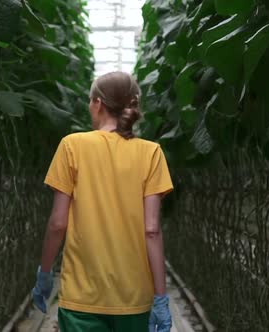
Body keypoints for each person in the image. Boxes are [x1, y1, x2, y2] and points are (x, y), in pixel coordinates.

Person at [32, 71, 174, 332]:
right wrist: (161, 297)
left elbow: (58, 223)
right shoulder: (151, 153)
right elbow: (152, 230)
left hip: (82, 296)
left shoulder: (72, 146)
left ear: (97, 103)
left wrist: (44, 272)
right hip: (134, 296)